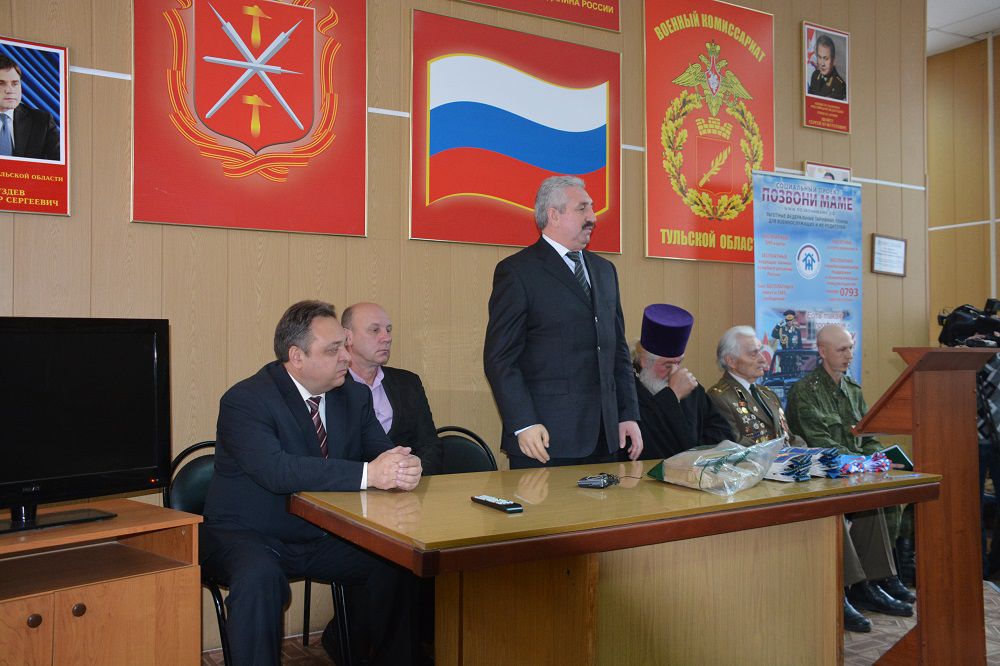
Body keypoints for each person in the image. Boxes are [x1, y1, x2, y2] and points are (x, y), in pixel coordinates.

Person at [200, 300, 423, 665]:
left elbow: (381, 451)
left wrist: (403, 465)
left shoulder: (353, 395)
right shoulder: (246, 400)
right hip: (248, 534)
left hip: (320, 533)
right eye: (333, 350)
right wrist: (370, 474)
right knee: (259, 578)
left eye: (344, 346)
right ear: (297, 357)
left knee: (395, 561)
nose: (346, 357)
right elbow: (277, 471)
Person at [483, 175, 642, 468]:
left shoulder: (605, 271)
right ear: (554, 215)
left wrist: (627, 414)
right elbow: (500, 358)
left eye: (592, 208)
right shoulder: (518, 272)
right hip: (545, 439)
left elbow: (617, 350)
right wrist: (523, 422)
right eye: (582, 209)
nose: (593, 217)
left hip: (605, 438)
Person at [785, 324, 914, 631]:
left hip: (856, 472)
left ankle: (880, 577)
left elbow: (867, 434)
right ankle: (857, 586)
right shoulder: (805, 392)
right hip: (826, 475)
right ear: (822, 351)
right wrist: (863, 463)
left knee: (885, 491)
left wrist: (877, 459)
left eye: (850, 348)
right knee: (866, 496)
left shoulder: (852, 389)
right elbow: (820, 442)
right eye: (841, 349)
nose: (849, 355)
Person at [343, 302, 442, 475]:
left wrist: (413, 473)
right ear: (348, 337)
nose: (387, 338)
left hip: (408, 486)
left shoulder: (408, 383)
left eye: (388, 330)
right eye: (375, 330)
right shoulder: (331, 387)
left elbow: (429, 445)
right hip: (351, 486)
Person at [633, 304, 734, 459]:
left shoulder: (692, 387)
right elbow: (652, 447)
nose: (675, 372)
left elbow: (724, 436)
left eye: (679, 363)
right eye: (667, 365)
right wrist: (672, 396)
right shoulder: (628, 391)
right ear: (644, 361)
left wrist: (696, 452)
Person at [707, 326, 794, 445]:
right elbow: (736, 446)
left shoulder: (768, 394)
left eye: (760, 351)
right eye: (753, 354)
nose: (763, 359)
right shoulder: (719, 398)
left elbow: (790, 439)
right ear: (731, 360)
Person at [0, 54, 60, 160]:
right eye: (1, 83)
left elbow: (60, 164)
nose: (10, 90)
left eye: (15, 84)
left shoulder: (42, 121)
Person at [808, 34, 847, 101]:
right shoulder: (815, 75)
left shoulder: (839, 85)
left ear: (833, 61)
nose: (822, 64)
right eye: (819, 57)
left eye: (826, 59)